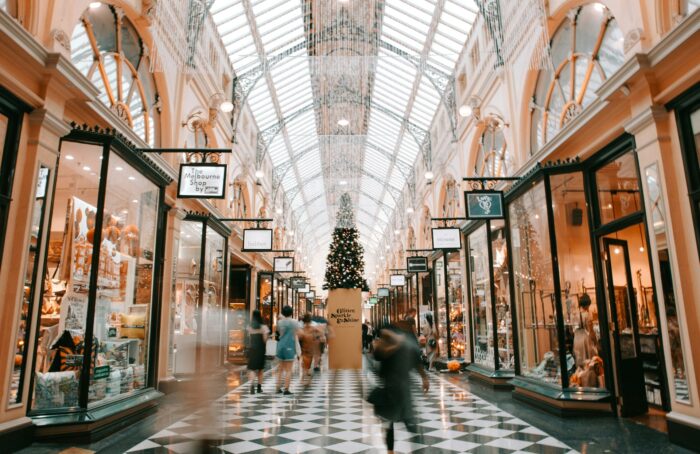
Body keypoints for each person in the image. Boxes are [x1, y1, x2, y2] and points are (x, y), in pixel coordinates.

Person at [372, 326, 430, 454]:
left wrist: (424, 378)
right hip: (392, 390)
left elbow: (416, 361)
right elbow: (378, 355)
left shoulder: (398, 346)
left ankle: (412, 450)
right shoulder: (387, 347)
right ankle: (391, 451)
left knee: (407, 423)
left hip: (400, 390)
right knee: (394, 424)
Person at [275, 306, 298, 395]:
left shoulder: (279, 322)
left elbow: (279, 332)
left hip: (280, 346)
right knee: (288, 369)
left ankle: (277, 388)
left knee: (280, 369)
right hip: (289, 346)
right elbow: (297, 333)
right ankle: (286, 389)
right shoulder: (294, 322)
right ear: (291, 312)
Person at [246, 310, 268, 394]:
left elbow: (248, 338)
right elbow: (265, 339)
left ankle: (252, 385)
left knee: (252, 368)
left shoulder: (249, 326)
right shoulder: (263, 327)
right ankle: (259, 387)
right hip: (261, 350)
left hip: (252, 349)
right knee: (260, 369)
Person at [297, 313, 321, 385]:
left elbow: (298, 337)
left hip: (306, 349)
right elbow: (320, 334)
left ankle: (304, 379)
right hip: (308, 349)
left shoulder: (302, 328)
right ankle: (304, 379)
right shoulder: (312, 328)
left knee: (306, 365)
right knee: (306, 365)